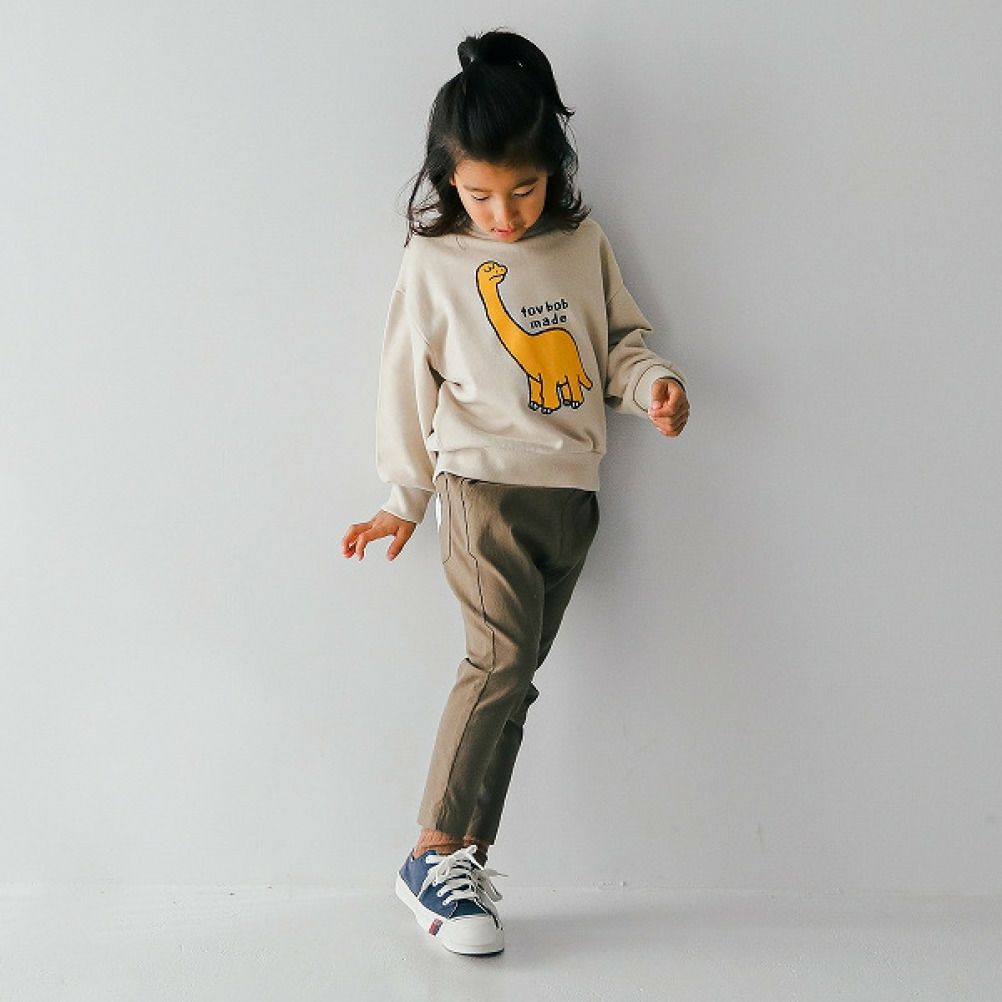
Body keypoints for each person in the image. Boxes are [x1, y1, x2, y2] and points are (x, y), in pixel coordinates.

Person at [341, 28, 689, 956]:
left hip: (571, 499)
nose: (502, 214)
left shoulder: (583, 243)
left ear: (554, 170)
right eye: (479, 194)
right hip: (482, 490)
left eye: (523, 190)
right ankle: (429, 853)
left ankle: (466, 856)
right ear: (448, 179)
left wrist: (653, 385)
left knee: (515, 682)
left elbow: (617, 345)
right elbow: (404, 380)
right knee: (496, 664)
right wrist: (403, 498)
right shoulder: (436, 264)